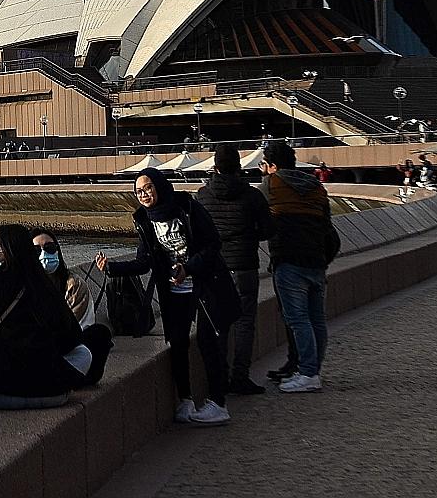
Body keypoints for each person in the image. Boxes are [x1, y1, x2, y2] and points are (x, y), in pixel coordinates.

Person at [96, 167, 236, 426]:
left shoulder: (188, 208)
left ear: (159, 186)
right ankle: (185, 400)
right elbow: (145, 262)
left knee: (208, 341)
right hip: (174, 291)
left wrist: (188, 268)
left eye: (148, 187)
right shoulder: (145, 220)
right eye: (139, 191)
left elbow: (212, 244)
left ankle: (218, 403)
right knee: (178, 343)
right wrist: (111, 268)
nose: (144, 194)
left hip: (205, 285)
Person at [0, 223, 86, 409]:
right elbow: (72, 338)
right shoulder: (45, 286)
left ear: (5, 250)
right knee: (83, 352)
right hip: (55, 394)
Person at [196, 143, 273, 395]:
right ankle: (240, 376)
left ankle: (219, 378)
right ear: (239, 167)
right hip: (244, 266)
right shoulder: (252, 195)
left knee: (219, 323)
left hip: (215, 268)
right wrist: (247, 235)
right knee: (244, 322)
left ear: (215, 167)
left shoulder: (203, 196)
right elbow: (268, 230)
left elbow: (196, 233)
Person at [262, 140, 332, 394]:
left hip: (289, 258)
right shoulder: (316, 187)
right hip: (316, 259)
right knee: (317, 319)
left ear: (272, 165)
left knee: (298, 319)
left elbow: (259, 218)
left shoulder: (272, 184)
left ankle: (308, 373)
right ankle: (313, 369)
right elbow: (327, 225)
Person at [32, 230, 112, 385]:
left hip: (69, 346)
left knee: (100, 333)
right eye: (36, 250)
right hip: (39, 351)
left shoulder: (73, 284)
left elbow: (70, 329)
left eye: (49, 248)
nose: (43, 254)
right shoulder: (25, 287)